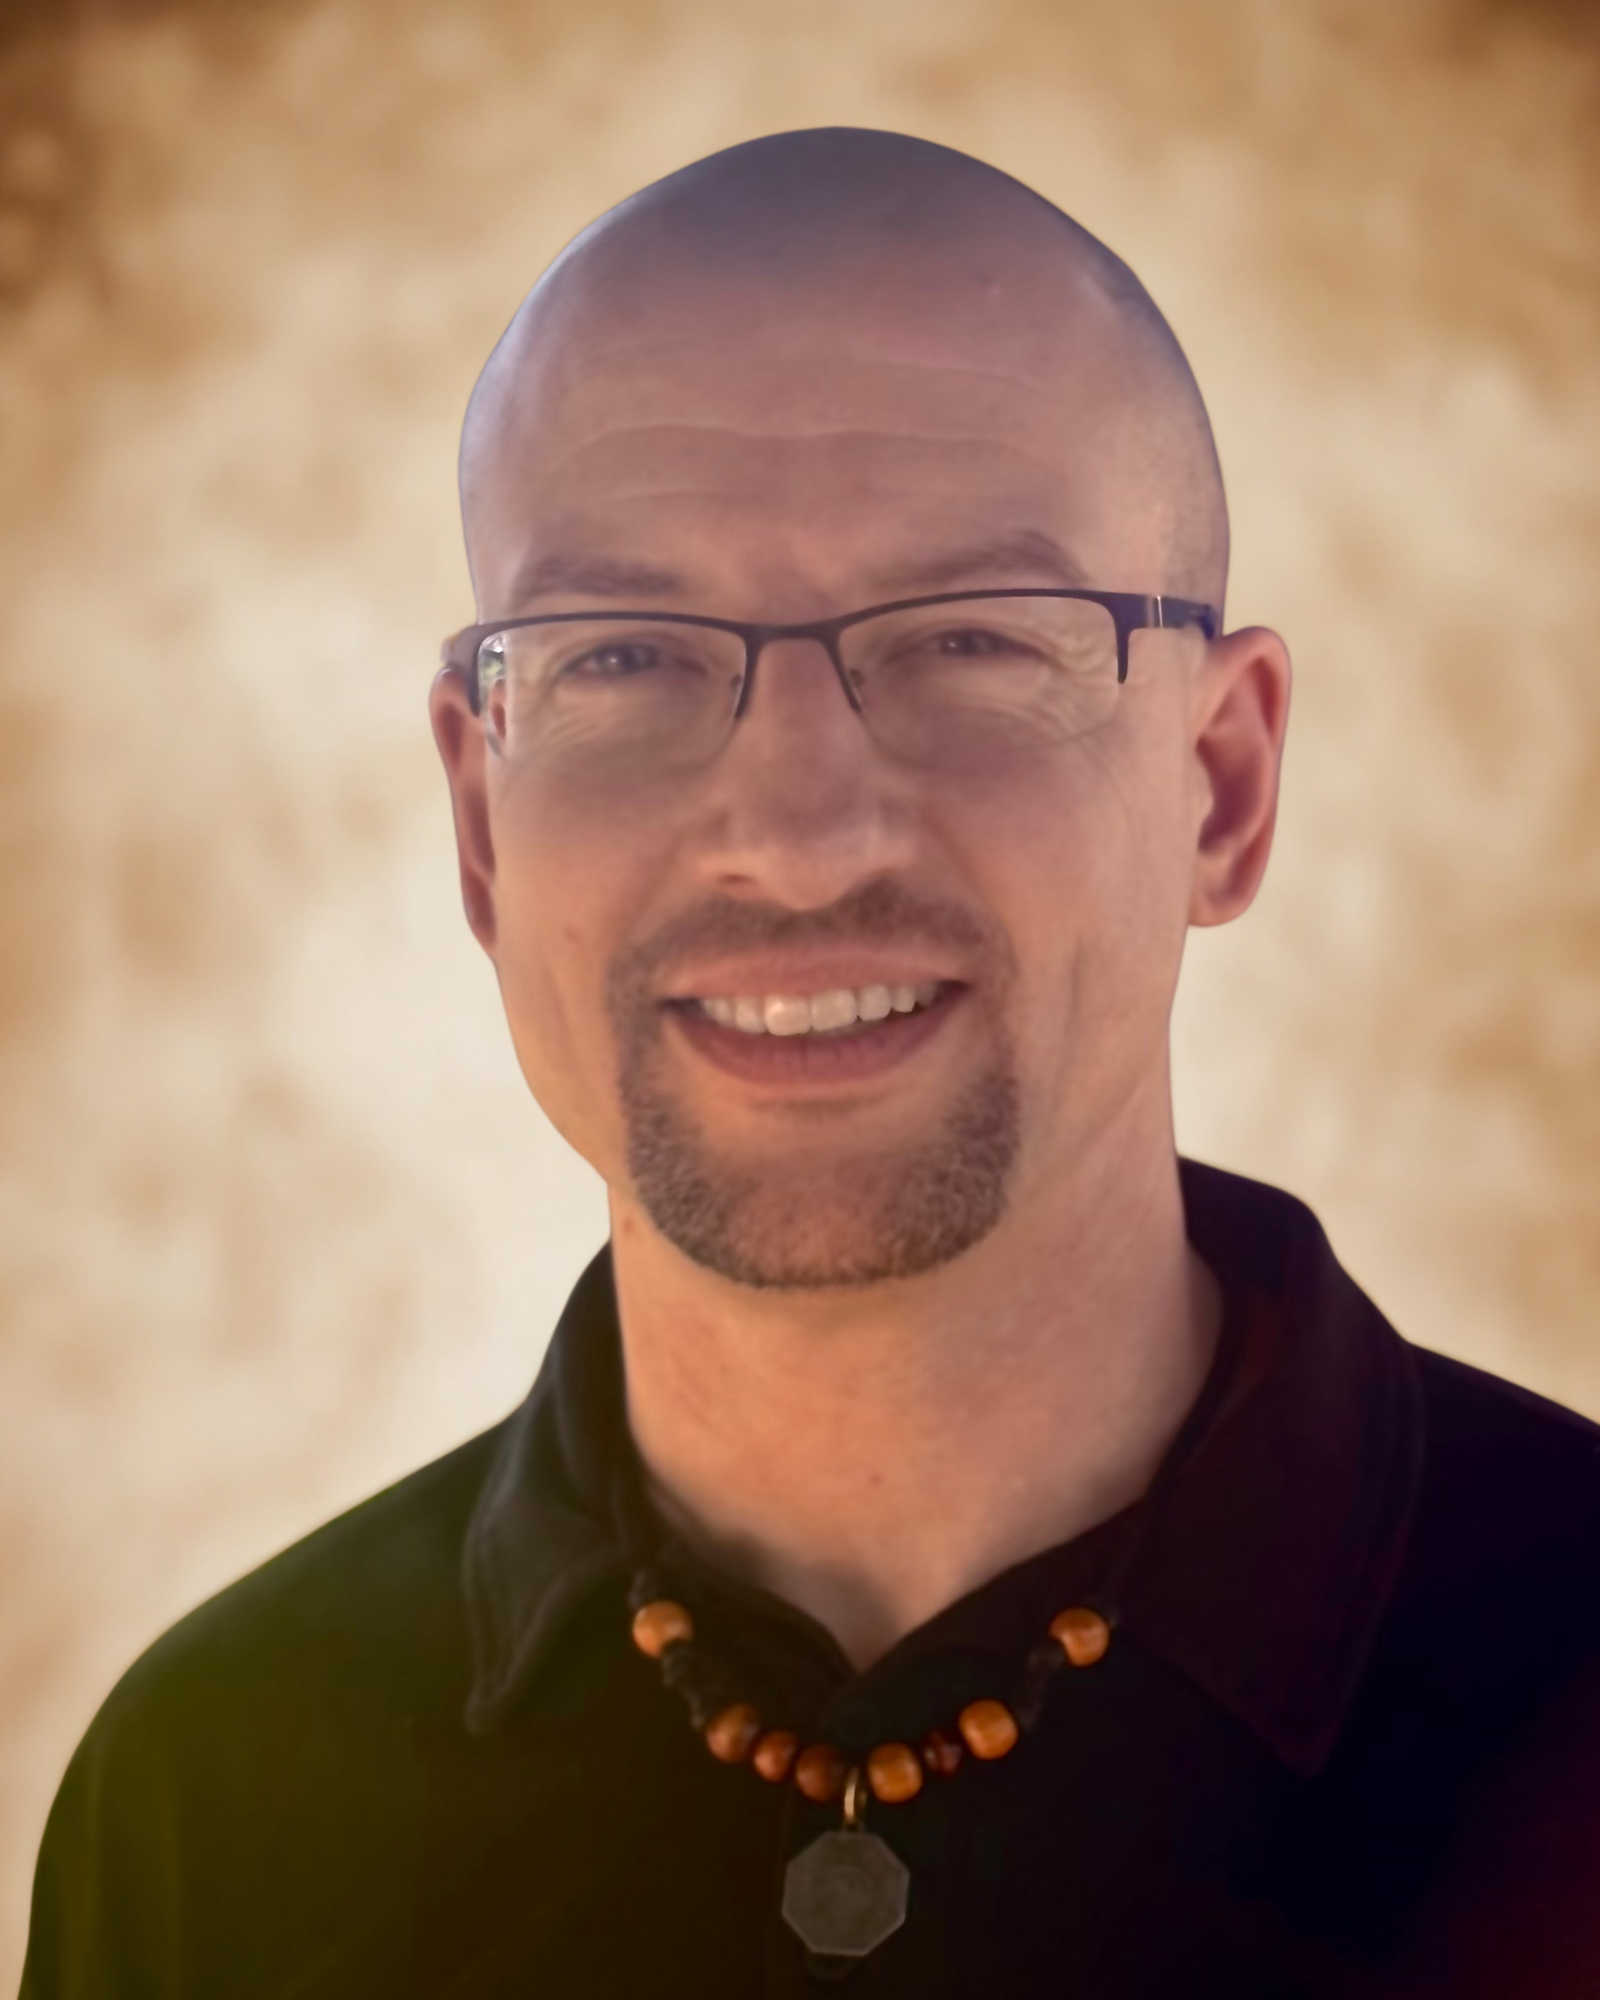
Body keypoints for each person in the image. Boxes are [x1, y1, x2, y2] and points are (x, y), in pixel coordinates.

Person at [21, 127, 1600, 2000]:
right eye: (624, 658)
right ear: (480, 824)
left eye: (965, 640)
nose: (795, 830)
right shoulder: (213, 1799)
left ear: (1222, 786)